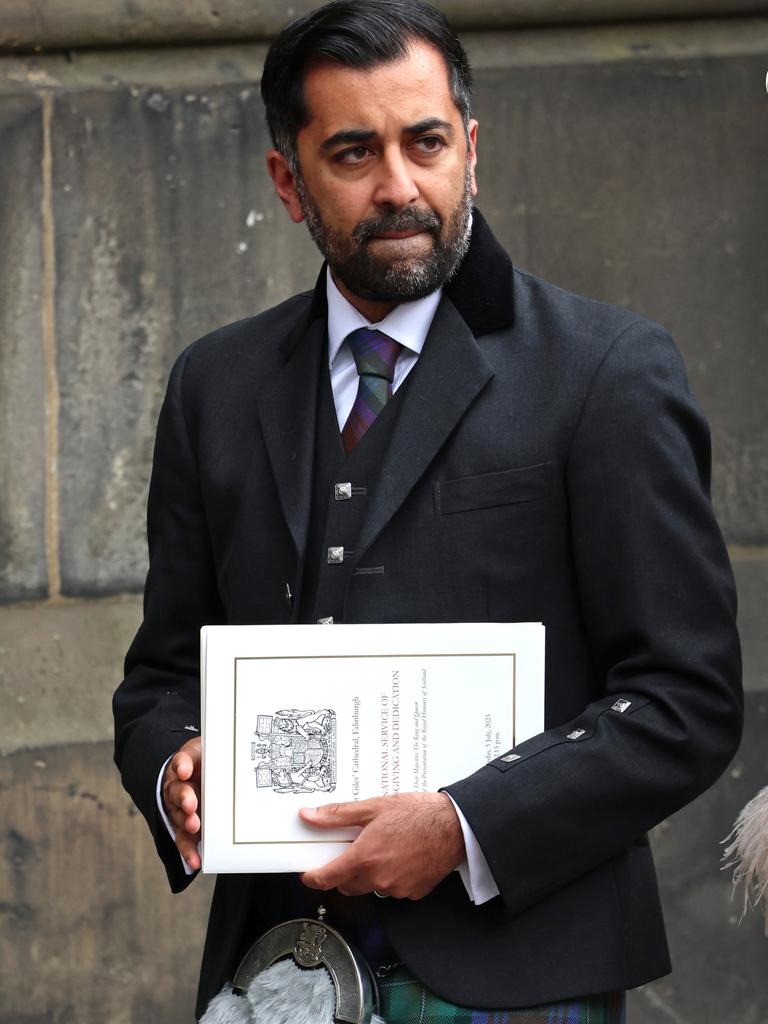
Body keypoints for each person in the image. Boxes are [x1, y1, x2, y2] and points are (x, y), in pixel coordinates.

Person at [112, 1, 743, 1021]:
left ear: (472, 150)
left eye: (426, 142)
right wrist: (176, 762)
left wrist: (463, 825)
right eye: (354, 152)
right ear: (288, 180)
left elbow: (688, 698)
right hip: (271, 974)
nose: (400, 187)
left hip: (521, 978)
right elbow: (159, 677)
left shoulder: (605, 372)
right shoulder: (214, 386)